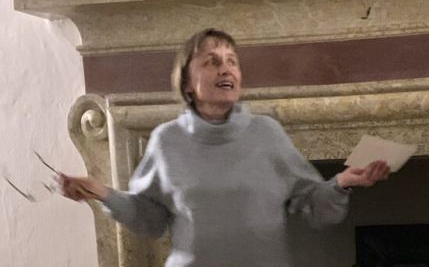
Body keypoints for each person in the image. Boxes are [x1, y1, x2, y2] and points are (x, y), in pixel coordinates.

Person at [59, 28, 391, 267]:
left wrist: (341, 183)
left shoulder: (266, 133)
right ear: (187, 83)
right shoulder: (166, 140)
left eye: (232, 61)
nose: (226, 68)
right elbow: (150, 218)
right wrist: (103, 193)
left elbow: (313, 203)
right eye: (211, 61)